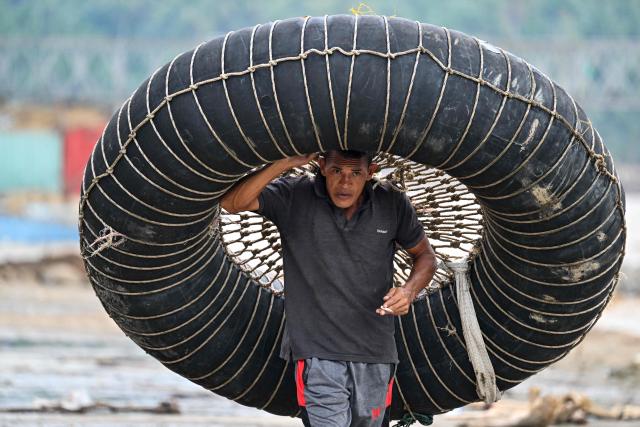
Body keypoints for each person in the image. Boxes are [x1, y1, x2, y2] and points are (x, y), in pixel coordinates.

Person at [220, 150, 437, 427]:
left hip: (376, 353)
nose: (344, 183)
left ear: (371, 171)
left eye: (355, 173)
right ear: (322, 166)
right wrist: (286, 162)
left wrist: (408, 291)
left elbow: (426, 257)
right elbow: (232, 202)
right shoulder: (295, 196)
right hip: (318, 354)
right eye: (337, 171)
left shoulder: (391, 202)